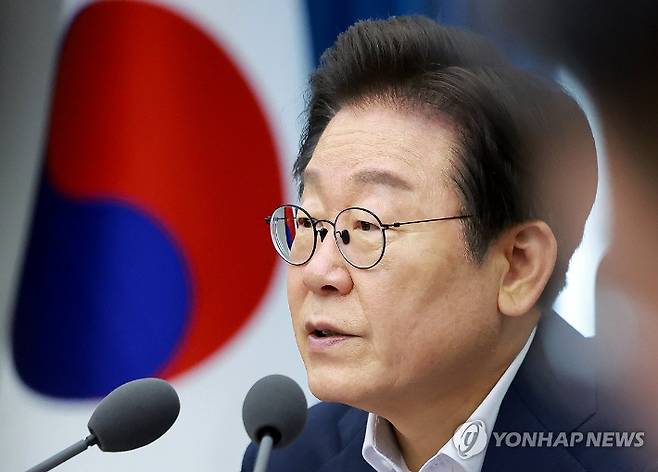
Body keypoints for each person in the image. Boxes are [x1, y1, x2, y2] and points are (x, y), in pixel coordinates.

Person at [241, 16, 630, 472]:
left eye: (367, 226)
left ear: (518, 266)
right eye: (311, 222)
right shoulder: (288, 458)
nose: (317, 272)